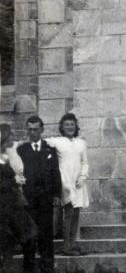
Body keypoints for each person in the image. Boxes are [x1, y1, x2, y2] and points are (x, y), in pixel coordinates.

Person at [17, 116, 61, 273]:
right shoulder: (21, 150)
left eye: (35, 129)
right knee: (29, 236)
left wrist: (57, 194)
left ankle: (47, 268)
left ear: (42, 130)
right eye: (30, 129)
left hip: (45, 200)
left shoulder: (50, 150)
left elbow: (56, 173)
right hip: (28, 200)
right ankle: (28, 268)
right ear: (27, 130)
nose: (32, 132)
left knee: (46, 235)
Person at [43, 113, 89, 256]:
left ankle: (73, 244)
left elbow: (85, 162)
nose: (69, 127)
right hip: (65, 180)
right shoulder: (57, 141)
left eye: (72, 124)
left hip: (78, 182)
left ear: (76, 127)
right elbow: (39, 142)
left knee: (76, 213)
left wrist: (82, 176)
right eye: (66, 124)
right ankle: (66, 247)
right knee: (68, 213)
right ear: (62, 127)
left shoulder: (81, 143)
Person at [0, 124, 36, 273]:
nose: (12, 140)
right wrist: (15, 181)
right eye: (10, 137)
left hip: (13, 204)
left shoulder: (5, 156)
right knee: (7, 241)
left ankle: (27, 269)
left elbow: (20, 143)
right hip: (3, 206)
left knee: (30, 234)